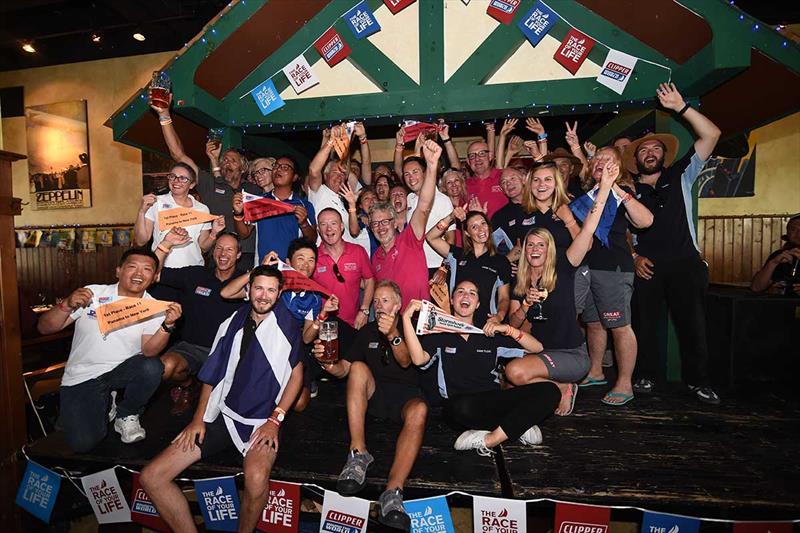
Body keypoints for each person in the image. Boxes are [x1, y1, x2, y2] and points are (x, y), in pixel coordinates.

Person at [140, 266, 304, 533]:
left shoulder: (287, 324)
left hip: (261, 421)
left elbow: (296, 375)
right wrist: (198, 419)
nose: (264, 296)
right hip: (224, 415)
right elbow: (212, 373)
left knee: (257, 477)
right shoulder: (232, 322)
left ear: (280, 293)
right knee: (152, 477)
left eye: (271, 290)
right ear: (248, 289)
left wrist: (276, 419)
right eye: (259, 288)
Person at [626, 83, 723, 404]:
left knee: (693, 326)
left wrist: (681, 107)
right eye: (643, 150)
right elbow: (619, 231)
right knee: (644, 326)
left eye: (655, 149)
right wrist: (633, 255)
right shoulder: (626, 189)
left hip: (685, 263)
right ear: (636, 159)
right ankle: (644, 376)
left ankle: (699, 382)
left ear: (664, 155)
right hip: (648, 265)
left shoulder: (681, 173)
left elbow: (712, 135)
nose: (649, 153)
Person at [37, 248, 182, 451]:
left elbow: (149, 351)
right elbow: (44, 328)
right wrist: (67, 304)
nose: (138, 274)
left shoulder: (154, 307)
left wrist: (167, 326)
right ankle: (106, 403)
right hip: (82, 376)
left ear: (155, 276)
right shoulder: (93, 294)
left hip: (121, 371)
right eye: (132, 267)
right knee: (83, 444)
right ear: (118, 271)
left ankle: (127, 413)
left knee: (151, 367)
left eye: (147, 269)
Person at [504, 161, 618, 415]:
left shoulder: (564, 266)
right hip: (539, 348)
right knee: (508, 383)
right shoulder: (521, 281)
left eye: (540, 245)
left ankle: (562, 385)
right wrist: (525, 304)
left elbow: (589, 230)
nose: (534, 249)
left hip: (569, 353)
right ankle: (557, 384)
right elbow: (515, 323)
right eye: (530, 245)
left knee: (516, 374)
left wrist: (606, 187)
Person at [311, 281, 426, 530]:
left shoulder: (411, 327)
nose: (379, 305)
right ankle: (358, 453)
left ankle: (393, 493)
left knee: (420, 409)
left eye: (385, 300)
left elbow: (406, 362)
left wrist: (393, 334)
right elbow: (347, 370)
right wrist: (329, 365)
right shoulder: (367, 332)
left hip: (406, 397)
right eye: (375, 301)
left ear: (398, 305)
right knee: (360, 368)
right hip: (375, 394)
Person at [403, 280, 560, 455]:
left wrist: (508, 329)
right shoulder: (439, 336)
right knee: (457, 407)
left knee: (551, 391)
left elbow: (537, 348)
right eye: (460, 291)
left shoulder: (487, 334)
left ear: (477, 304)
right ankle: (517, 426)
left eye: (472, 293)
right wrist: (406, 319)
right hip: (461, 406)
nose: (465, 295)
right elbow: (418, 360)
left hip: (492, 401)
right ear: (453, 301)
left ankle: (491, 438)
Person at [220, 239, 338, 410]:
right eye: (301, 259)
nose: (306, 265)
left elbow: (306, 339)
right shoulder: (271, 284)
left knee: (299, 404)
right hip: (260, 341)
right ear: (289, 262)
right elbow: (226, 293)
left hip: (290, 345)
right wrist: (258, 270)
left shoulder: (313, 296)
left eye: (311, 260)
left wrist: (322, 316)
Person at [578, 146, 654, 406]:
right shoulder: (586, 195)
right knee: (594, 323)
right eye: (597, 159)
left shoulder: (623, 193)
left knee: (620, 325)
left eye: (607, 159)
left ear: (618, 168)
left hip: (613, 269)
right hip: (586, 268)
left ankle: (624, 382)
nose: (600, 162)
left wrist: (616, 187)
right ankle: (596, 371)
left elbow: (645, 221)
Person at [151, 92, 258, 266]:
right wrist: (164, 115)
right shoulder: (209, 183)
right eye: (223, 160)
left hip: (244, 257)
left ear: (243, 167)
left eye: (232, 160)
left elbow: (247, 231)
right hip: (214, 258)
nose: (226, 163)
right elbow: (178, 154)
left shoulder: (253, 191)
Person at [152, 229, 246, 414]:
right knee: (162, 368)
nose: (223, 254)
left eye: (229, 249)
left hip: (227, 351)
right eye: (219, 248)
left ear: (238, 255)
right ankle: (188, 386)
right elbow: (154, 274)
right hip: (191, 348)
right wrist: (166, 244)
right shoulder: (196, 274)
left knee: (224, 407)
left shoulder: (246, 281)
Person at [372, 140, 442, 310]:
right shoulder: (375, 259)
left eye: (385, 222)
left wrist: (432, 167)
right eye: (375, 224)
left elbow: (423, 205)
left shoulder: (410, 239)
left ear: (395, 222)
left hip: (419, 319)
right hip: (392, 325)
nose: (380, 227)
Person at [427, 209, 512, 328]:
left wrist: (499, 317)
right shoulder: (457, 255)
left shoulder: (501, 262)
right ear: (467, 233)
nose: (481, 229)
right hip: (456, 324)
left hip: (486, 326)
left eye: (483, 223)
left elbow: (504, 298)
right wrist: (451, 217)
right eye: (474, 227)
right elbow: (431, 237)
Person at [134, 163, 225, 267]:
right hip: (163, 268)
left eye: (183, 178)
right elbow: (141, 241)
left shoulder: (202, 209)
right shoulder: (156, 202)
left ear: (192, 184)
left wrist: (214, 233)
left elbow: (203, 247)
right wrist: (141, 211)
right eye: (172, 176)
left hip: (194, 269)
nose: (176, 181)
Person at [232, 155, 317, 263]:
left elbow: (312, 240)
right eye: (276, 166)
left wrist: (304, 223)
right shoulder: (259, 201)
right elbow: (244, 233)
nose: (278, 169)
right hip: (263, 269)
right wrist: (238, 213)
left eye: (285, 167)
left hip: (291, 269)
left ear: (295, 177)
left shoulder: (304, 204)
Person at [308, 124, 372, 255]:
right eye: (335, 173)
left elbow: (353, 233)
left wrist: (350, 138)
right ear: (325, 175)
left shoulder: (344, 199)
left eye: (343, 174)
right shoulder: (319, 193)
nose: (340, 176)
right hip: (327, 257)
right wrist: (331, 141)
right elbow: (314, 170)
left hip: (348, 259)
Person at [402, 155, 456, 274]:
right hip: (414, 267)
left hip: (436, 267)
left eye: (415, 172)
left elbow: (451, 239)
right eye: (407, 174)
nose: (411, 178)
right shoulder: (410, 198)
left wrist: (444, 268)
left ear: (426, 173)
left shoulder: (442, 200)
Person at [751, 215, 800, 295]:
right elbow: (756, 288)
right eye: (793, 229)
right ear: (788, 233)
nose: (798, 234)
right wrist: (773, 263)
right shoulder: (780, 255)